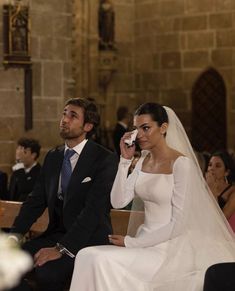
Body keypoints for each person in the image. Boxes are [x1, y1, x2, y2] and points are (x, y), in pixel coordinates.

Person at [69, 102, 235, 291]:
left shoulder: (181, 164)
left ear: (163, 128)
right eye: (136, 128)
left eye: (146, 128)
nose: (139, 134)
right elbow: (118, 201)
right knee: (85, 255)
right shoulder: (142, 161)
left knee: (98, 259)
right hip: (143, 242)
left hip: (169, 249)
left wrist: (132, 242)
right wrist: (125, 161)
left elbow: (178, 225)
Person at [9, 98, 118, 291]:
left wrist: (61, 249)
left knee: (46, 272)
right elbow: (35, 201)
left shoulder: (104, 159)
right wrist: (15, 236)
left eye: (73, 116)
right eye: (64, 113)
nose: (64, 120)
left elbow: (93, 212)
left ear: (88, 126)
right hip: (55, 235)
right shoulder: (53, 156)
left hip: (87, 241)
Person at [205, 151, 235, 231]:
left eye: (217, 166)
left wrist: (212, 190)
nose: (212, 168)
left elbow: (221, 221)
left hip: (221, 233)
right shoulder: (203, 186)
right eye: (210, 165)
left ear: (226, 172)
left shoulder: (233, 192)